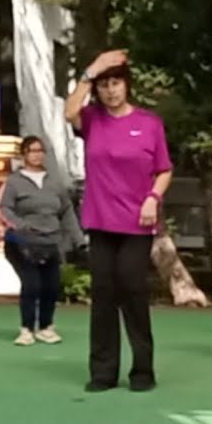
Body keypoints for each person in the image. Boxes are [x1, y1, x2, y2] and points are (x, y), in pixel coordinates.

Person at [65, 50, 173, 393]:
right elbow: (69, 112)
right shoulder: (93, 119)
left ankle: (143, 370)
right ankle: (103, 372)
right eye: (105, 85)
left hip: (137, 222)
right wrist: (90, 72)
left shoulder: (149, 123)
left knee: (133, 289)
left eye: (116, 83)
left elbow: (164, 170)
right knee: (104, 294)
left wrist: (152, 199)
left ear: (127, 86)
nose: (111, 90)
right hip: (100, 221)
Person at [0, 135, 84, 346]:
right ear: (24, 154)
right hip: (22, 242)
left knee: (51, 286)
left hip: (51, 241)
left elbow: (66, 211)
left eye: (40, 150)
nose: (37, 155)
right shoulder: (14, 181)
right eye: (32, 151)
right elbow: (5, 208)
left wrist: (78, 238)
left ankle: (46, 327)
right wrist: (19, 225)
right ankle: (26, 329)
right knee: (32, 284)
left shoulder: (54, 181)